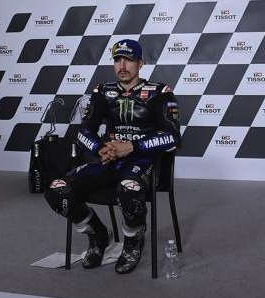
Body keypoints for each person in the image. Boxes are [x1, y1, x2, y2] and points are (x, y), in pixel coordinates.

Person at [44, 39, 181, 274]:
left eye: (128, 60)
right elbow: (83, 131)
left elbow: (172, 138)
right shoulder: (102, 92)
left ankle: (132, 243)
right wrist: (101, 148)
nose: (122, 65)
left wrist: (131, 147)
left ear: (141, 63)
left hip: (142, 161)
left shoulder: (160, 93)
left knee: (128, 189)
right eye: (118, 60)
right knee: (57, 189)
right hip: (107, 159)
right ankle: (98, 235)